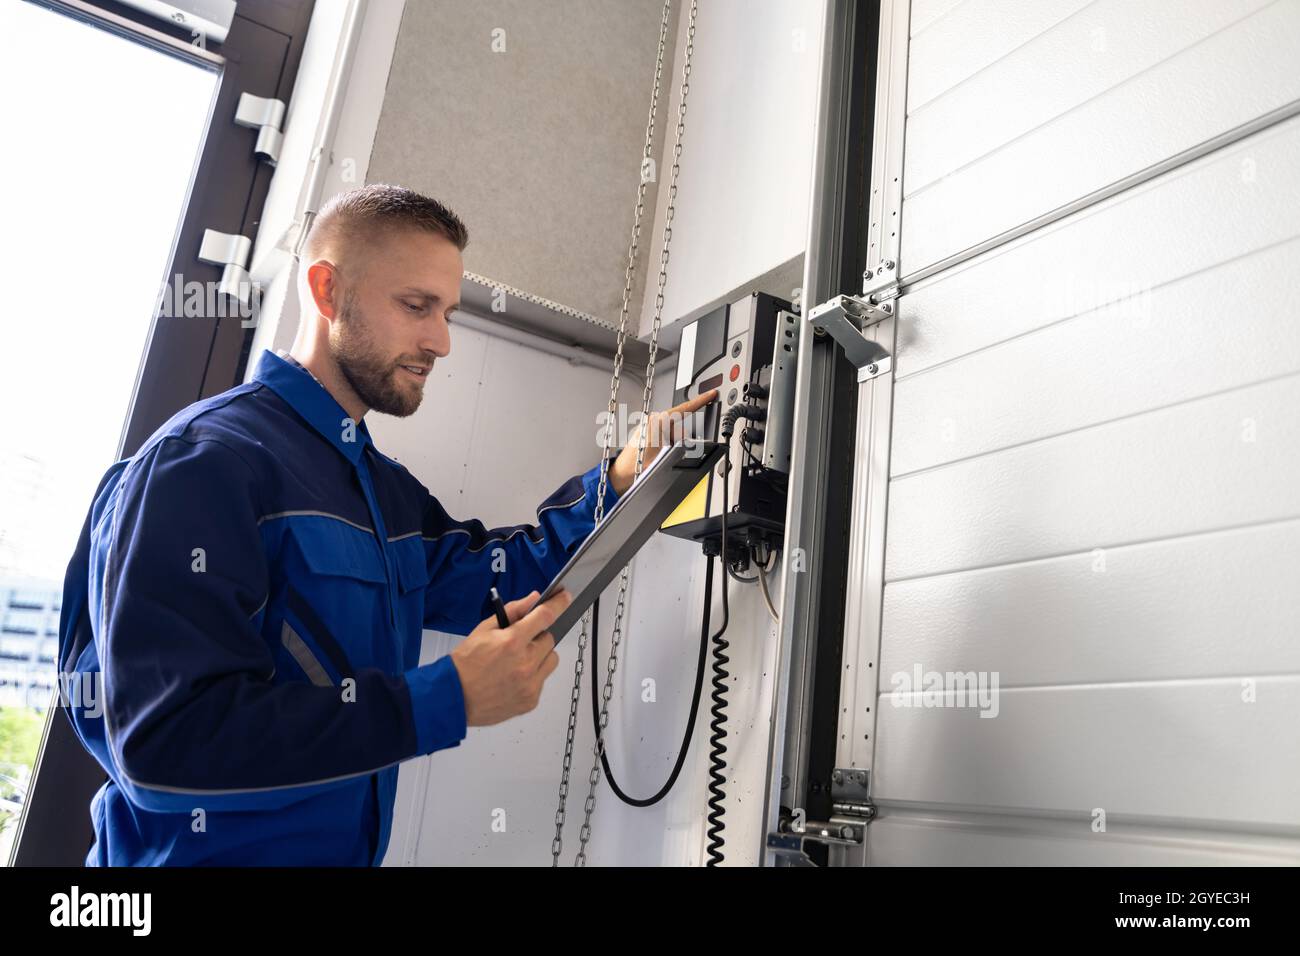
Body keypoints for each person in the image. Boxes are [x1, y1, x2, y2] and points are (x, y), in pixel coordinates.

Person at [56, 183, 717, 865]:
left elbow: (503, 576)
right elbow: (164, 745)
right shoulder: (202, 464)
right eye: (415, 306)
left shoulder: (381, 493)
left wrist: (621, 477)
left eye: (448, 313)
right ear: (327, 291)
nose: (440, 341)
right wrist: (442, 700)